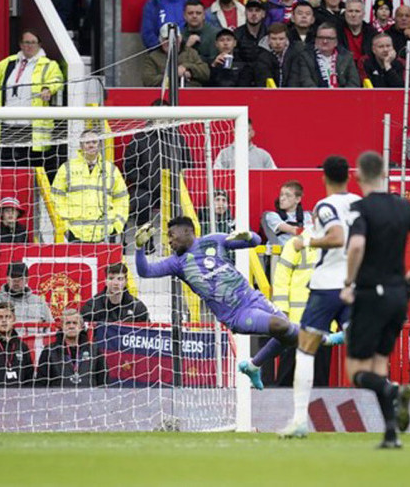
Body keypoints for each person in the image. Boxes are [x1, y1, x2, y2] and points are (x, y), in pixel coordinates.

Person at [134, 216, 341, 390]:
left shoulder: (213, 240)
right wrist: (139, 248)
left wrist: (249, 236)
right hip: (237, 315)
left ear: (188, 231)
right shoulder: (177, 263)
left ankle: (253, 365)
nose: (169, 241)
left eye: (172, 235)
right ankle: (324, 340)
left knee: (286, 335)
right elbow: (146, 271)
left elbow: (256, 241)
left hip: (253, 297)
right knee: (282, 326)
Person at [339, 151, 410, 448]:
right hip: (399, 295)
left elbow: (357, 245)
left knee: (357, 372)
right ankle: (391, 435)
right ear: (385, 174)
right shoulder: (404, 206)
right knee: (379, 365)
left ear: (357, 176)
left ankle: (394, 392)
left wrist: (348, 283)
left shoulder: (360, 208)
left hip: (371, 294)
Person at [279, 156, 359, 438]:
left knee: (305, 350)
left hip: (326, 288)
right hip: (352, 285)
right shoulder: (359, 204)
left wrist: (308, 240)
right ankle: (390, 393)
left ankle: (300, 418)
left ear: (325, 177)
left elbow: (336, 236)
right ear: (348, 177)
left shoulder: (326, 206)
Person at [0, 30, 64, 177]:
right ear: (21, 44)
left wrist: (48, 89)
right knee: (6, 167)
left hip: (32, 127)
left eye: (33, 42)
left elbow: (57, 80)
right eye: (26, 42)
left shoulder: (49, 64)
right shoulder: (8, 62)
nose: (29, 46)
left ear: (39, 44)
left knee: (32, 169)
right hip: (7, 125)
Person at [272, 228, 334, 388]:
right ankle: (282, 409)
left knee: (318, 377)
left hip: (321, 321)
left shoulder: (336, 245)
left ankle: (315, 411)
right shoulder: (295, 243)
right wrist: (281, 310)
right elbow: (281, 278)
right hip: (297, 322)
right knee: (289, 374)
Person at [124, 99, 193, 230]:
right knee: (141, 200)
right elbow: (129, 167)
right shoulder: (139, 138)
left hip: (173, 187)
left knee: (182, 203)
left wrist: (177, 182)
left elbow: (188, 164)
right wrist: (147, 181)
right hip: (145, 187)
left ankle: (178, 241)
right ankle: (146, 242)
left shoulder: (177, 138)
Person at [52, 129, 129, 243]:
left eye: (94, 142)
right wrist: (65, 226)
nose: (91, 145)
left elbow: (122, 198)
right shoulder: (67, 168)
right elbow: (56, 198)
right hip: (75, 233)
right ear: (81, 145)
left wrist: (116, 226)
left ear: (99, 145)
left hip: (106, 232)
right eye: (87, 142)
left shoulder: (111, 169)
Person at [36, 309, 107, 387]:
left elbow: (103, 381)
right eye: (68, 323)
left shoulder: (94, 350)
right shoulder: (50, 351)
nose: (71, 326)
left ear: (81, 327)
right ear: (62, 327)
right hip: (59, 398)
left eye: (75, 323)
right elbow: (41, 383)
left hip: (87, 398)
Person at [0, 262, 54, 326]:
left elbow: (51, 328)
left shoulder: (39, 302)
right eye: (13, 277)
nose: (16, 281)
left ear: (27, 280)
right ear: (7, 279)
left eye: (20, 278)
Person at [292, 23, 361, 88]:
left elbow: (354, 83)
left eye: (329, 38)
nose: (325, 41)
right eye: (321, 37)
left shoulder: (347, 57)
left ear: (336, 42)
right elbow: (306, 82)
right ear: (316, 40)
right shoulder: (306, 57)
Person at [142, 23, 210, 87]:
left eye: (174, 38)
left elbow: (206, 73)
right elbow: (148, 81)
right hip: (164, 94)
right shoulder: (153, 57)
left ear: (180, 38)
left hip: (192, 93)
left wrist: (187, 68)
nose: (171, 41)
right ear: (161, 40)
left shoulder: (191, 53)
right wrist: (173, 74)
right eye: (167, 39)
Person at [80, 263, 149, 324]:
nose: (115, 283)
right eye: (111, 278)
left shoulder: (137, 307)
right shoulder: (92, 306)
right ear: (105, 281)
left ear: (126, 282)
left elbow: (146, 332)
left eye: (120, 279)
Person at [263, 180, 312, 245]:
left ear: (297, 199)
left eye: (288, 196)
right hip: (280, 253)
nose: (282, 198)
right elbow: (292, 230)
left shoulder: (308, 216)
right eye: (281, 195)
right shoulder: (271, 216)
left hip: (302, 251)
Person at [255, 23, 301, 88]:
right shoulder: (260, 55)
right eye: (274, 39)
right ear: (268, 39)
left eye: (281, 39)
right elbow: (263, 79)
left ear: (286, 39)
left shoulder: (294, 53)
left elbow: (294, 78)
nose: (278, 43)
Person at [339, 0, 377, 66]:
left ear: (363, 14)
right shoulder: (337, 32)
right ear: (345, 13)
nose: (353, 15)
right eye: (350, 11)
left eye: (357, 11)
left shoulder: (373, 34)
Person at [182, 0, 220, 64]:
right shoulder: (179, 35)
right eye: (190, 13)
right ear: (184, 16)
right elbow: (175, 62)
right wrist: (187, 46)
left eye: (198, 13)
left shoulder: (215, 34)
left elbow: (214, 61)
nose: (194, 16)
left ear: (204, 16)